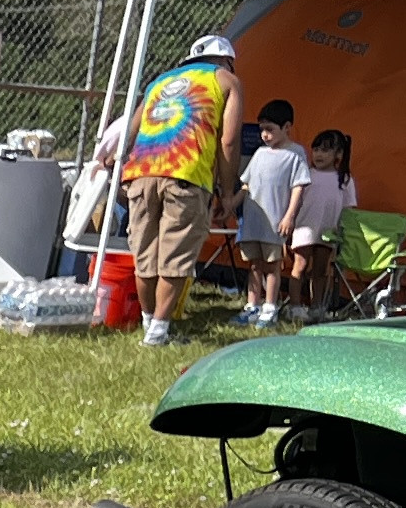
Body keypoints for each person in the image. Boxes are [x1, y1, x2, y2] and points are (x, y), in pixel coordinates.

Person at [122, 33, 246, 347]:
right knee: (175, 256)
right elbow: (228, 142)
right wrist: (227, 191)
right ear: (227, 60)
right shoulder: (227, 81)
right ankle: (159, 332)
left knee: (145, 256)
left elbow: (131, 130)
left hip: (141, 172)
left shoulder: (158, 82)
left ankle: (149, 323)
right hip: (186, 173)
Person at [234, 99, 304, 325]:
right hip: (253, 220)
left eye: (270, 129)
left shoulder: (295, 154)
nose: (265, 135)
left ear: (286, 127)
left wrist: (289, 216)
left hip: (275, 222)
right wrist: (230, 204)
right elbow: (246, 185)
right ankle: (252, 305)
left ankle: (270, 307)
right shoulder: (260, 154)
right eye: (262, 129)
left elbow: (298, 186)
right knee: (254, 263)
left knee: (272, 265)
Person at [282, 127, 358, 313]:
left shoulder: (345, 180)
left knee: (321, 271)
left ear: (338, 154)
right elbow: (295, 201)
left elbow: (349, 209)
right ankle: (295, 306)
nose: (318, 155)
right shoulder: (306, 175)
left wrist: (343, 232)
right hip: (304, 229)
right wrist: (289, 223)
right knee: (300, 266)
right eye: (316, 150)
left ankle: (317, 306)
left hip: (328, 232)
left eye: (325, 150)